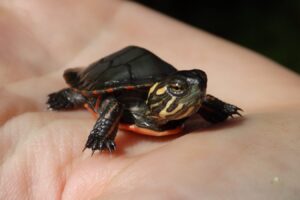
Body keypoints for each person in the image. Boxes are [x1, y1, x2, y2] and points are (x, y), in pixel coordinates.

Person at [0, 1, 299, 199]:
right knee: (95, 98)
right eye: (180, 89)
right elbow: (112, 102)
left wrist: (216, 108)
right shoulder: (128, 103)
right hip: (111, 80)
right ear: (163, 93)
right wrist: (100, 135)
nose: (196, 90)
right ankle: (73, 95)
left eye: (199, 87)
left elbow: (193, 93)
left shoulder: (179, 103)